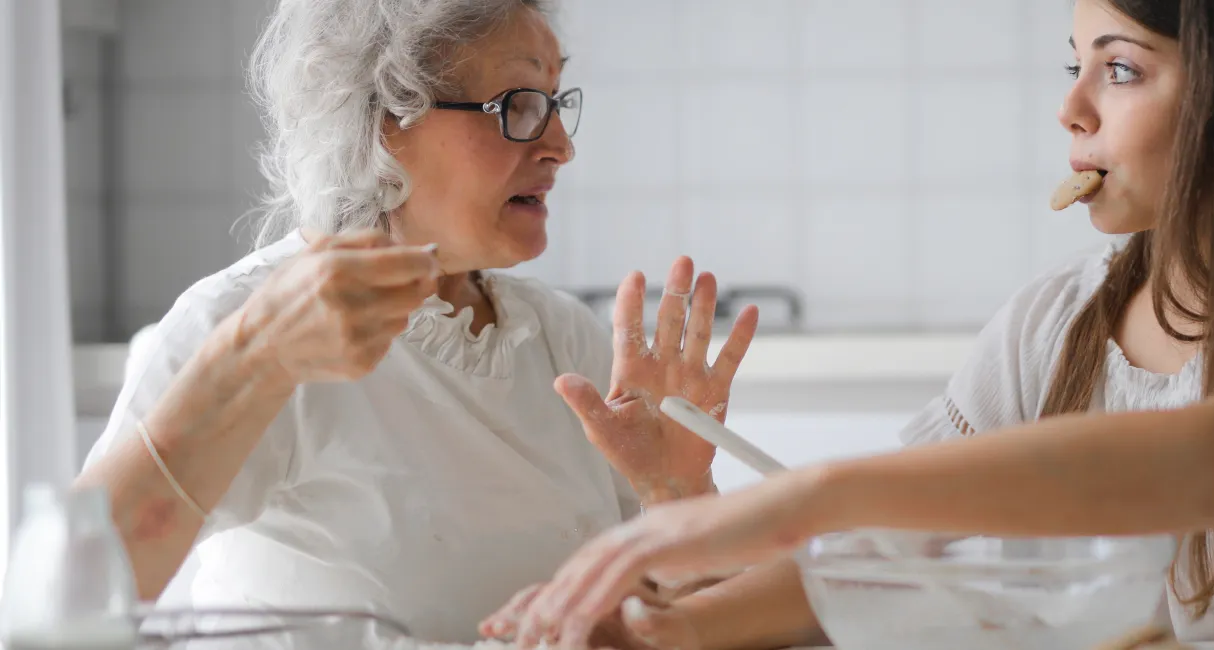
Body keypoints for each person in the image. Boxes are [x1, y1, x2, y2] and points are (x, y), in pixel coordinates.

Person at [489, 0, 1214, 647]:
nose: (1069, 107)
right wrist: (654, 621)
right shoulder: (1054, 321)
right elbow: (890, 555)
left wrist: (814, 489)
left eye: (1118, 66)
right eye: (1070, 63)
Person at [73, 0, 756, 644]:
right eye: (517, 105)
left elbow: (687, 624)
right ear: (383, 118)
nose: (558, 146)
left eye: (554, 103)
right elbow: (72, 600)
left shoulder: (564, 338)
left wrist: (677, 494)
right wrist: (252, 361)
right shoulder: (244, 321)